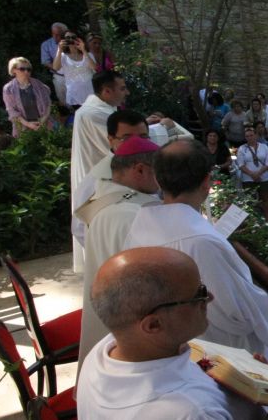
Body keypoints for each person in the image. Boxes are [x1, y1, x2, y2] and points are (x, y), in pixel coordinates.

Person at [77, 247, 268, 419]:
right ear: (153, 325)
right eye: (198, 294)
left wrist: (247, 378)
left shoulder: (103, 352)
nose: (210, 298)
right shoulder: (193, 411)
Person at [123, 140, 268, 362]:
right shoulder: (202, 242)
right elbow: (236, 312)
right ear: (207, 182)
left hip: (160, 348)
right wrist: (264, 303)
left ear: (157, 179)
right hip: (209, 353)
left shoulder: (140, 226)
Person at [75, 137, 162, 365]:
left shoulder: (103, 199)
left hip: (108, 308)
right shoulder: (133, 214)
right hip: (131, 324)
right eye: (159, 172)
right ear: (140, 170)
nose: (162, 181)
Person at [70, 70, 129, 273]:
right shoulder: (94, 113)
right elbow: (125, 146)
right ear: (106, 91)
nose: (126, 92)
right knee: (98, 232)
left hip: (101, 177)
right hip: (98, 180)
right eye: (121, 88)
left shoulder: (94, 110)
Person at [2, 57, 51, 137]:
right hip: (23, 127)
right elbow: (11, 111)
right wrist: (28, 124)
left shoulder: (39, 85)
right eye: (22, 69)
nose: (26, 71)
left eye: (28, 69)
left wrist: (43, 120)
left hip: (43, 124)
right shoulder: (8, 89)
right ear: (13, 70)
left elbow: (48, 103)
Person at [52, 31, 95, 109]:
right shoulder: (63, 56)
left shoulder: (88, 54)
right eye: (67, 38)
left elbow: (94, 68)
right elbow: (55, 68)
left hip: (90, 93)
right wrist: (59, 49)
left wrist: (83, 50)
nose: (71, 40)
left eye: (73, 37)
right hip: (74, 95)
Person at [41, 23, 67, 103]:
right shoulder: (46, 44)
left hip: (74, 74)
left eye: (58, 34)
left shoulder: (70, 42)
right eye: (53, 34)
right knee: (63, 101)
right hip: (59, 76)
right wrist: (59, 69)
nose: (55, 36)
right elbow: (45, 61)